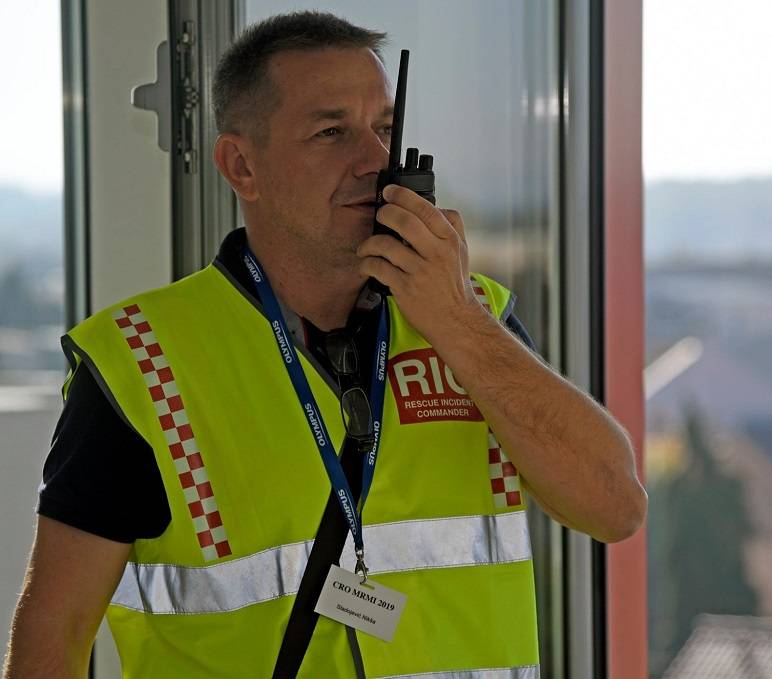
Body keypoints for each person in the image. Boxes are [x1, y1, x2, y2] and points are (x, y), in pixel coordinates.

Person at [3, 11, 646, 679]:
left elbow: (615, 506)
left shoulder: (471, 314)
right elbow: (53, 633)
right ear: (241, 166)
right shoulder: (142, 362)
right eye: (331, 132)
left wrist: (457, 321)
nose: (374, 160)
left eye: (385, 129)